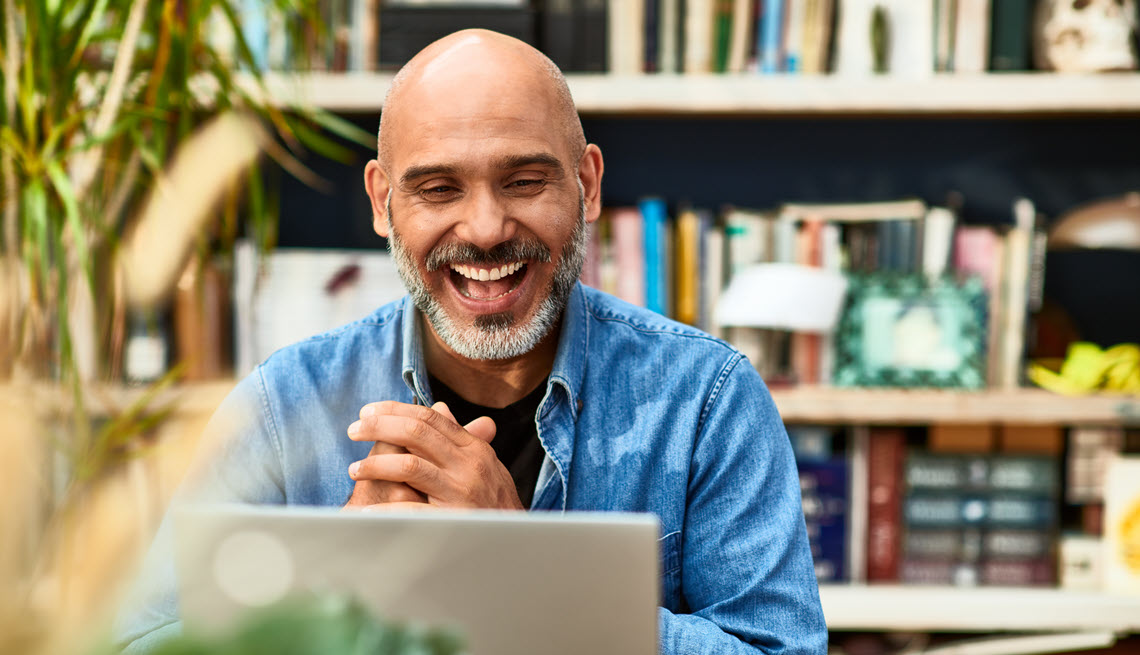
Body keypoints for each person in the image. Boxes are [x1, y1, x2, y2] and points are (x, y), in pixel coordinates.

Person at [116, 28, 827, 654]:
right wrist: (324, 588)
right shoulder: (282, 406)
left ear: (587, 185)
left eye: (524, 180)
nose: (485, 229)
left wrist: (524, 569)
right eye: (438, 189)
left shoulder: (708, 401)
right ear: (381, 202)